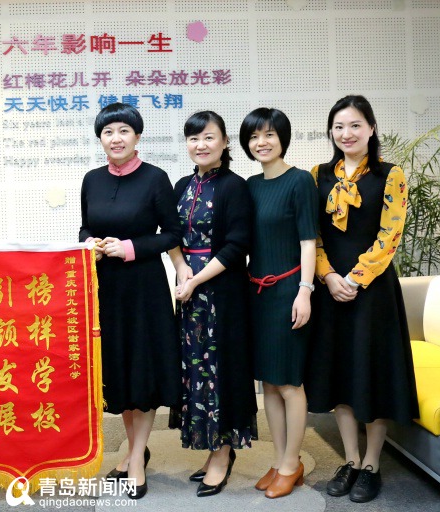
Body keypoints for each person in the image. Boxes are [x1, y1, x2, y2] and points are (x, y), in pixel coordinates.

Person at [304, 95, 418, 503]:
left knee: (373, 373)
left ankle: (371, 464)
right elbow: (312, 236)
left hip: (373, 292)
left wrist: (353, 279)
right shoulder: (317, 175)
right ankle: (350, 459)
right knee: (340, 374)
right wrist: (329, 276)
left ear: (371, 128)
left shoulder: (391, 174)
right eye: (338, 126)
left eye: (355, 125)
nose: (346, 134)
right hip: (330, 289)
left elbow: (390, 236)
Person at [78, 103, 181, 500]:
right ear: (100, 139)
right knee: (119, 369)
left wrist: (130, 248)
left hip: (144, 288)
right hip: (105, 287)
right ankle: (134, 448)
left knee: (144, 370)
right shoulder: (91, 179)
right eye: (108, 132)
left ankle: (136, 457)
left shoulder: (155, 178)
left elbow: (171, 234)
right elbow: (85, 226)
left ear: (137, 136)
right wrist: (90, 243)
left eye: (123, 131)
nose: (116, 138)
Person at [168, 111, 258, 498]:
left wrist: (195, 279)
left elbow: (237, 246)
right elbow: (170, 234)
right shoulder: (182, 185)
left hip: (222, 291)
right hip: (189, 289)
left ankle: (222, 453)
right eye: (193, 138)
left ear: (224, 142)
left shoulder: (235, 186)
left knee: (221, 370)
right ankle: (210, 447)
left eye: (208, 137)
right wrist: (181, 269)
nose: (200, 145)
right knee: (195, 368)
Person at [239, 108, 318, 498]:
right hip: (256, 293)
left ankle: (292, 463)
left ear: (283, 138)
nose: (262, 142)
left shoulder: (299, 181)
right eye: (254, 136)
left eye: (269, 134)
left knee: (289, 382)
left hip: (288, 291)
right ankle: (278, 460)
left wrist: (305, 290)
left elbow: (308, 241)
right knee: (268, 383)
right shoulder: (250, 186)